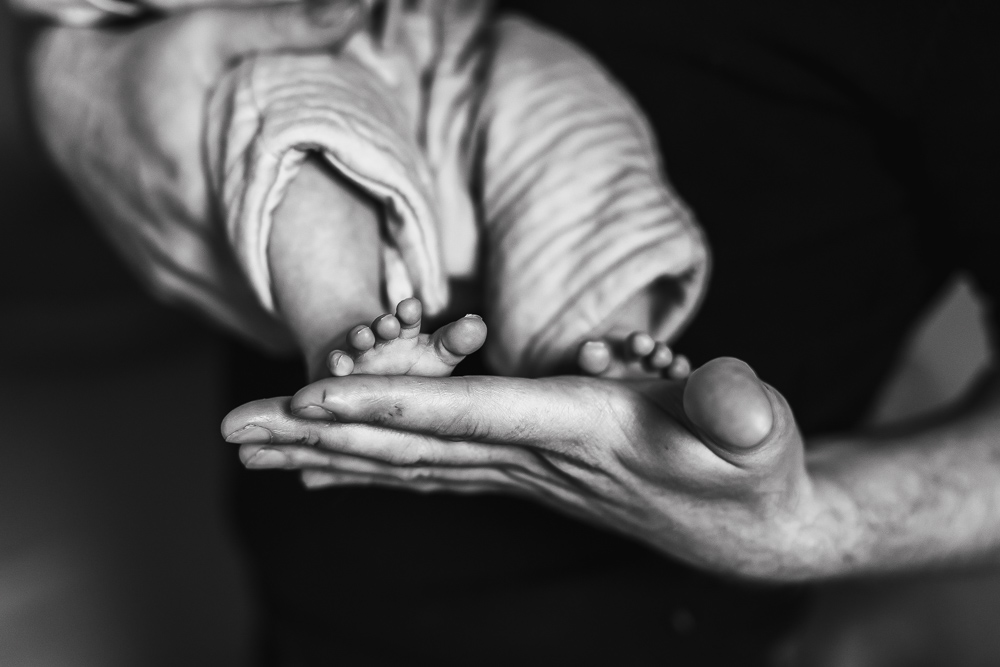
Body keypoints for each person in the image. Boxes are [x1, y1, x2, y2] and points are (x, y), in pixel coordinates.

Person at [33, 0, 1000, 665]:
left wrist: (810, 526)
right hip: (320, 61)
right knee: (302, 138)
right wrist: (73, 73)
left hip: (645, 631)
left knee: (583, 152)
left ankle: (600, 340)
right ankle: (353, 331)